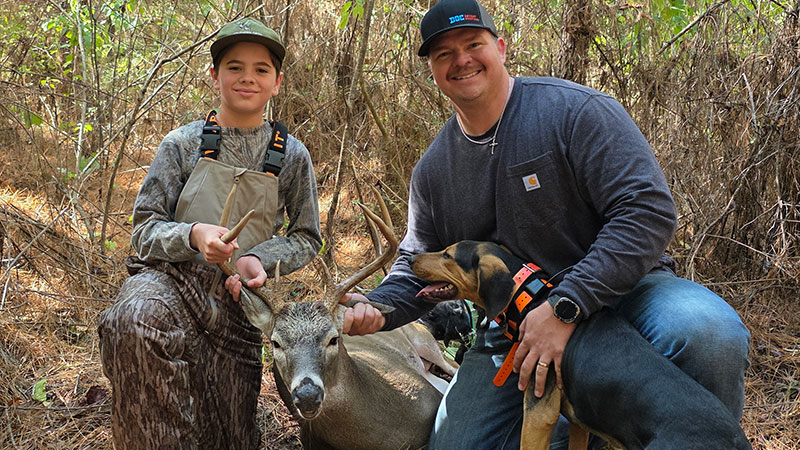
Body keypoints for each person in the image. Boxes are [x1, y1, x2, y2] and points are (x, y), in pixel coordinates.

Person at [340, 0, 751, 448]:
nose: (461, 60)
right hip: (514, 325)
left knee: (711, 333)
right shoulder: (435, 170)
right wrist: (375, 307)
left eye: (473, 44)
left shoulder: (575, 112)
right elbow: (416, 264)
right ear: (434, 71)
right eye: (443, 54)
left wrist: (565, 306)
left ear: (501, 47)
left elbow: (646, 210)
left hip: (625, 291)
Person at [98, 17, 322, 449]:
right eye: (235, 66)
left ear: (277, 82)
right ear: (214, 75)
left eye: (261, 69)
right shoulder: (181, 144)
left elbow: (307, 237)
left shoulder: (292, 156)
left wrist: (261, 258)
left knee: (227, 436)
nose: (247, 78)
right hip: (169, 284)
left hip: (237, 304)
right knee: (136, 322)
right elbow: (143, 229)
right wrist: (193, 234)